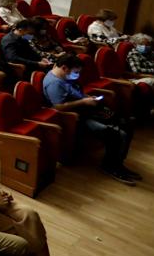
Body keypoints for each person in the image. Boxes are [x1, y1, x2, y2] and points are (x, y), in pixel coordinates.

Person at [44, 53, 144, 183]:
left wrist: (87, 98)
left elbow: (77, 93)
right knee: (116, 134)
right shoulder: (54, 83)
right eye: (76, 72)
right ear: (64, 67)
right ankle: (110, 166)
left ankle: (118, 163)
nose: (77, 75)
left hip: (87, 110)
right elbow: (58, 107)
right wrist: (83, 102)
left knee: (126, 124)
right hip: (76, 118)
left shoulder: (65, 76)